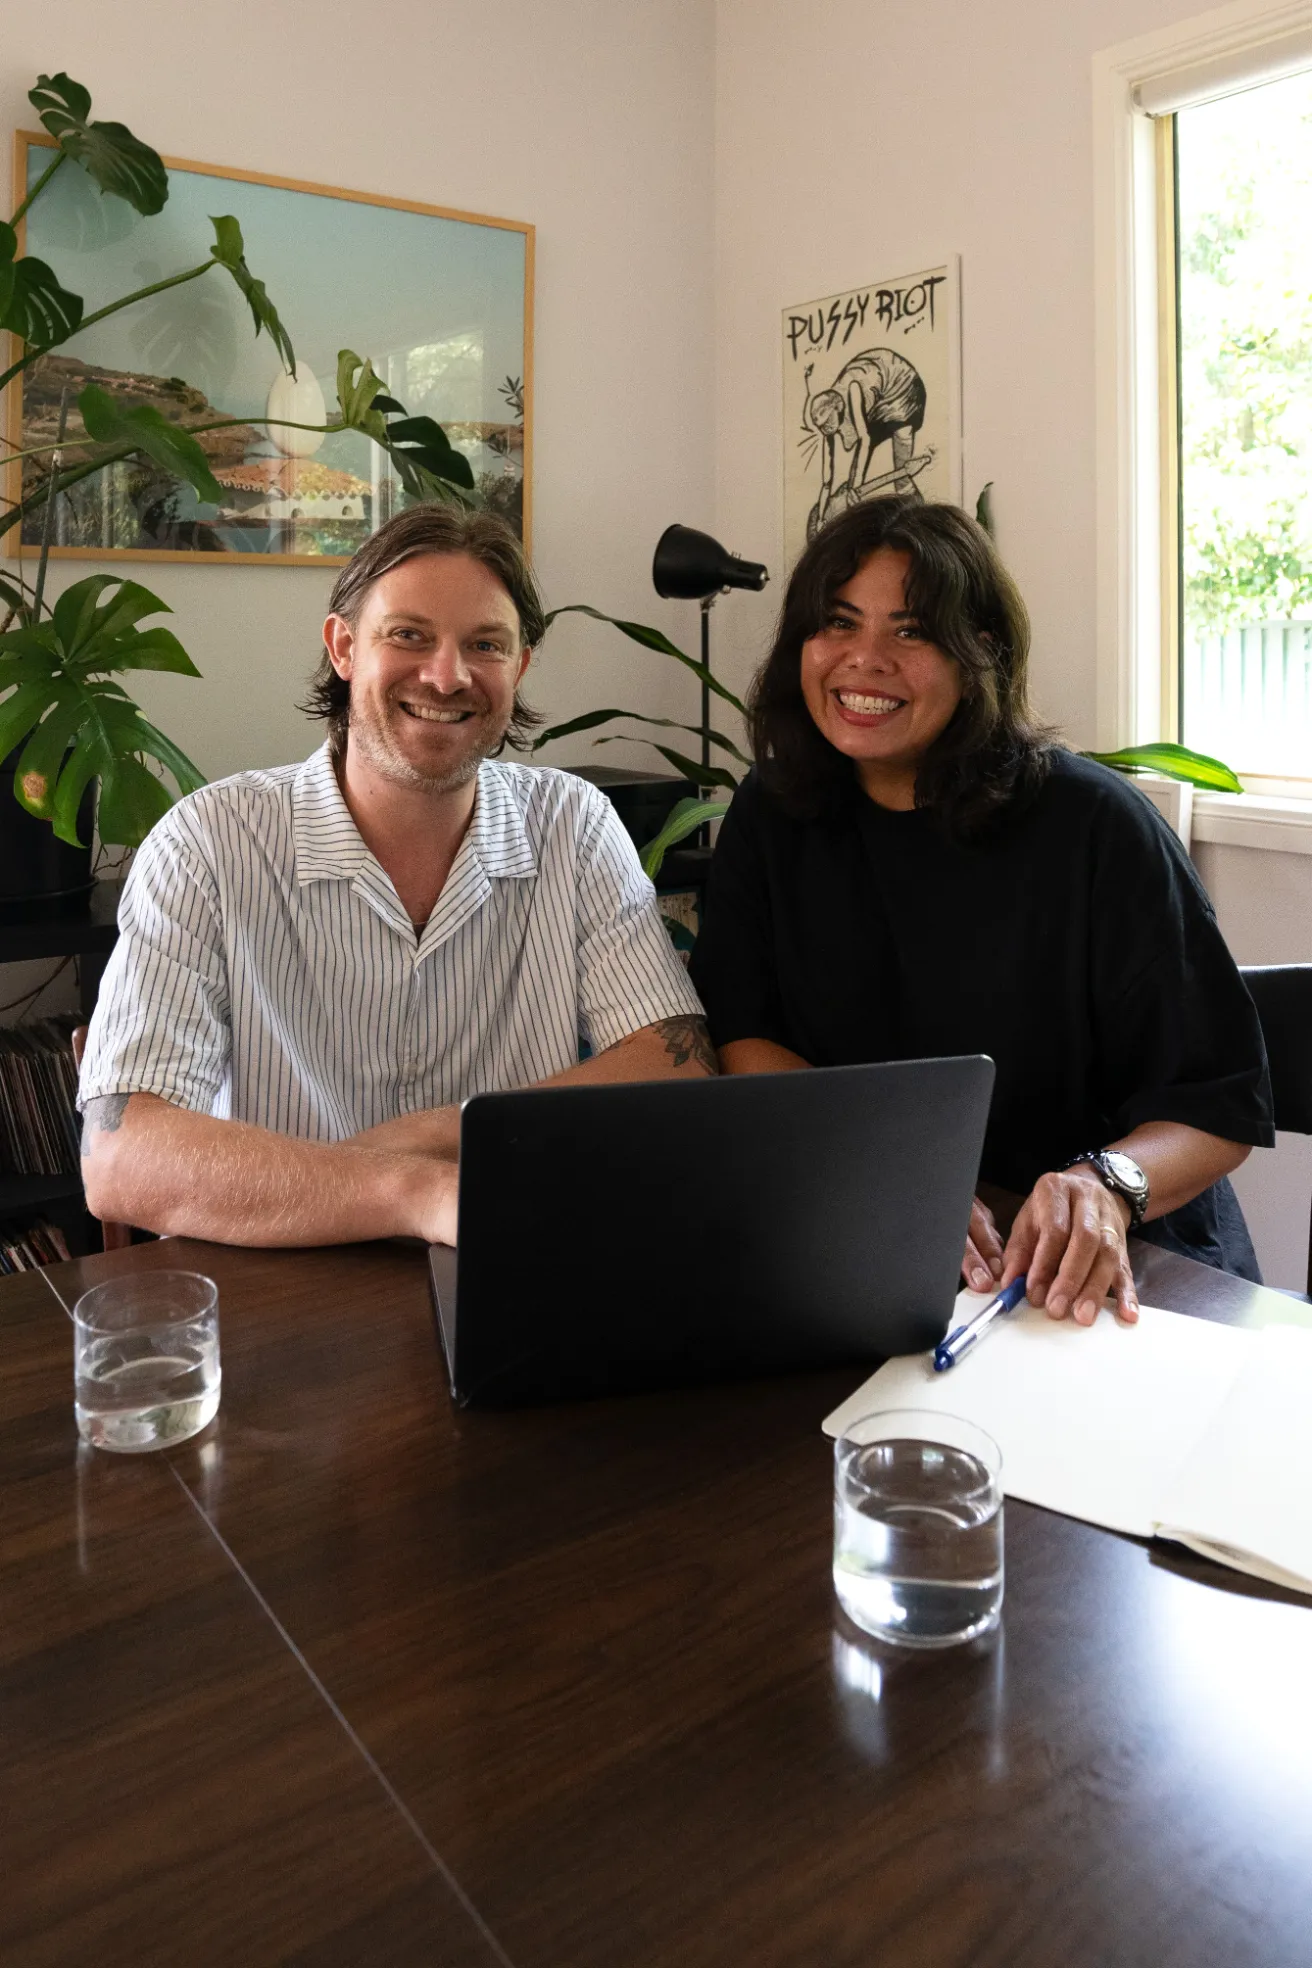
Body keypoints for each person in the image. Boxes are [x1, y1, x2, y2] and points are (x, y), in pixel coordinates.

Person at [690, 497, 1273, 1329]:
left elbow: (1218, 1104)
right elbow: (745, 1034)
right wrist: (875, 1158)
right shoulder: (772, 813)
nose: (865, 660)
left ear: (981, 652)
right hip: (894, 1246)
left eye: (912, 631)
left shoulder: (1094, 826)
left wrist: (1103, 1187)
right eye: (838, 623)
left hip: (1111, 1272)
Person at [79, 505, 713, 1249]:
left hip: (511, 1262)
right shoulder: (208, 846)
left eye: (485, 644)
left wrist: (432, 1135)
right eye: (408, 635)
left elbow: (676, 1066)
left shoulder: (575, 827)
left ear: (520, 667)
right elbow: (121, 1159)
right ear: (344, 647)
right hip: (278, 1288)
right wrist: (415, 1190)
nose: (448, 676)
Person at [804, 349, 929, 536]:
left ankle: (925, 528)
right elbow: (826, 480)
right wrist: (821, 518)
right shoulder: (830, 418)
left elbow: (865, 439)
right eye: (820, 426)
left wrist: (855, 489)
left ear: (837, 409)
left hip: (904, 388)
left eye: (827, 424)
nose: (825, 430)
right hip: (879, 400)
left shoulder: (852, 390)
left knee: (901, 475)